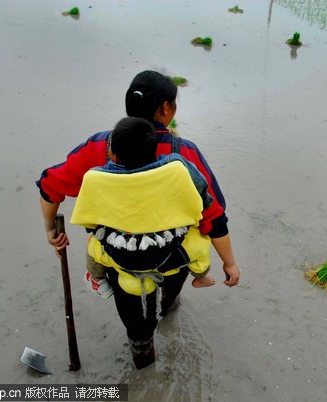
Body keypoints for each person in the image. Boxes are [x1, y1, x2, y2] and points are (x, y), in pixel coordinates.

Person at [37, 70, 240, 368]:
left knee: (138, 327)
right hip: (174, 259)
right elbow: (214, 217)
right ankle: (168, 309)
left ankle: (144, 360)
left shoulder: (101, 149)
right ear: (166, 109)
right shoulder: (184, 154)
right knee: (168, 299)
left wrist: (50, 232)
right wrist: (229, 262)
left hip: (121, 262)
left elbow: (49, 186)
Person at [78, 117, 216, 300]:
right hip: (167, 251)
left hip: (120, 256)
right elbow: (205, 200)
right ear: (155, 150)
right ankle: (201, 277)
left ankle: (98, 280)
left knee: (92, 248)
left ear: (112, 153)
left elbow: (89, 224)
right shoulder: (177, 168)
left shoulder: (95, 178)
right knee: (200, 244)